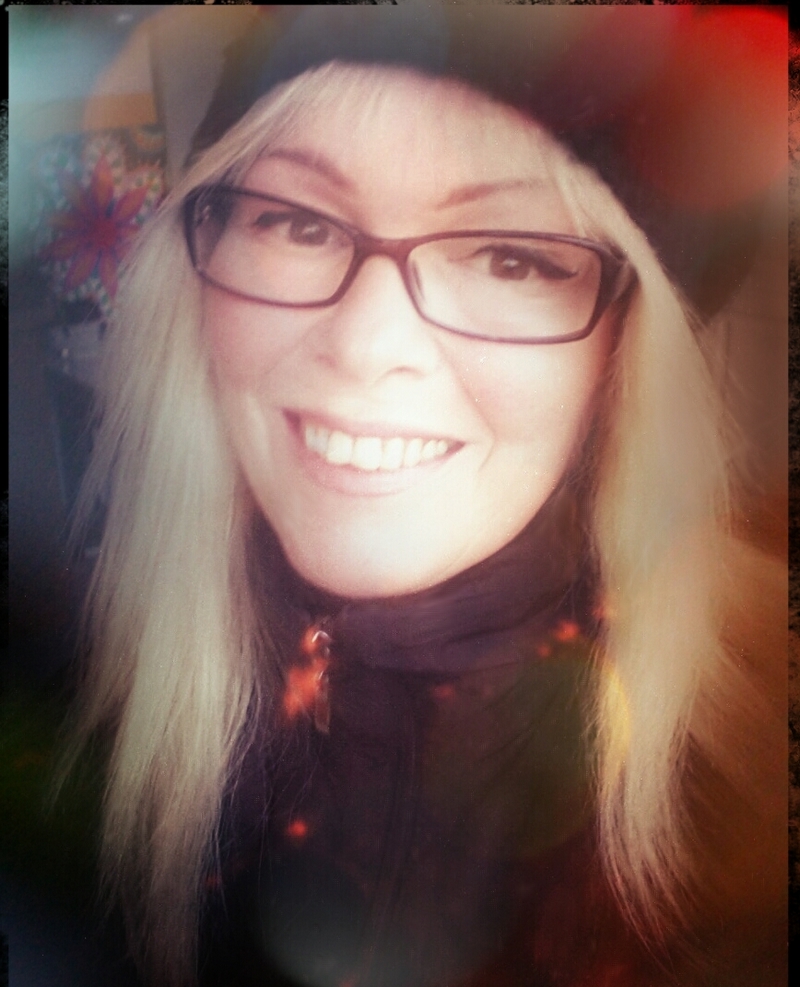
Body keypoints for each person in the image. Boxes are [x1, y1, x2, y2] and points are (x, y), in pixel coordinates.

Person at [59, 6, 786, 987]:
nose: (365, 347)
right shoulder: (69, 706)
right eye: (297, 223)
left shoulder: (752, 818)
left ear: (624, 350)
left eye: (509, 256)